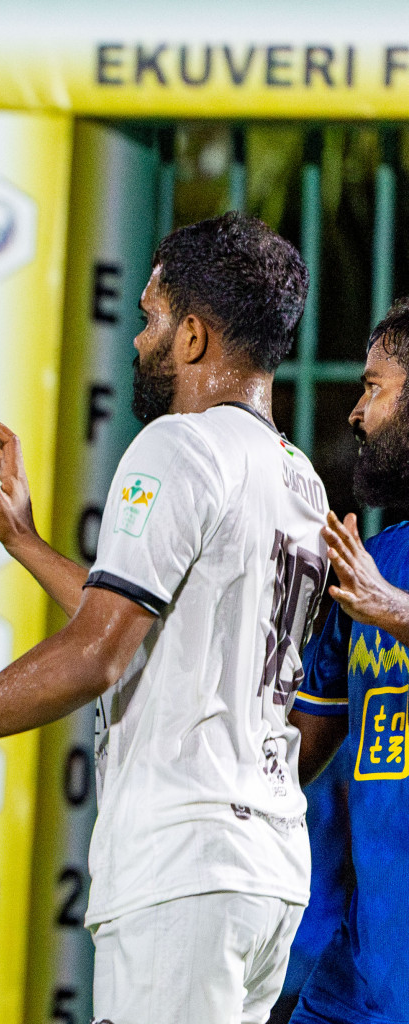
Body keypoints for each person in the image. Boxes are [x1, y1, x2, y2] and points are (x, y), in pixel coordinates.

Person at [0, 212, 325, 1023]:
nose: (138, 340)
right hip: (265, 870)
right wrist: (24, 542)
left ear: (194, 336)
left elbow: (99, 655)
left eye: (151, 318)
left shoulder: (180, 446)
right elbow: (155, 627)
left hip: (181, 865)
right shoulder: (297, 478)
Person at [286, 299, 409, 1023]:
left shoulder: (375, 585)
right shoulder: (377, 559)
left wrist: (390, 610)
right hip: (359, 978)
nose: (357, 413)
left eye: (375, 386)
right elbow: (301, 745)